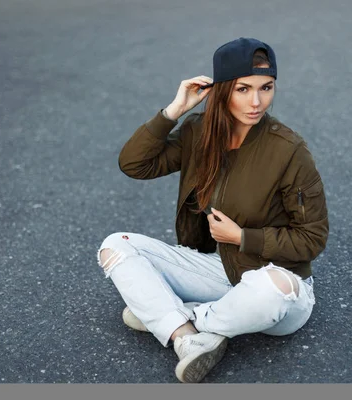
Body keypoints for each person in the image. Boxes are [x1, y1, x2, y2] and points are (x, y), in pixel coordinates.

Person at [96, 37, 329, 383]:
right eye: (242, 89)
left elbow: (312, 238)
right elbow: (134, 164)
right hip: (221, 270)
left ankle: (175, 317)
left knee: (274, 287)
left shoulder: (288, 150)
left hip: (278, 286)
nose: (256, 101)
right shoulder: (198, 133)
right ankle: (186, 337)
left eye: (266, 88)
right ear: (221, 91)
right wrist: (173, 111)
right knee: (115, 245)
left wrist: (242, 237)